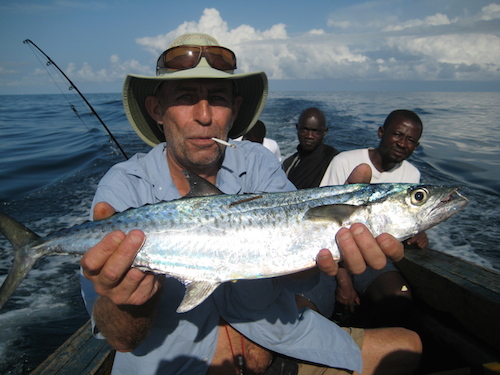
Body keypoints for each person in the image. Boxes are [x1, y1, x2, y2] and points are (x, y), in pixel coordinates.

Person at [79, 33, 421, 375]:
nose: (204, 115)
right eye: (185, 97)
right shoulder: (123, 185)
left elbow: (297, 273)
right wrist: (130, 303)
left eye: (217, 98)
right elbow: (120, 339)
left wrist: (330, 235)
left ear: (236, 108)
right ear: (157, 110)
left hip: (280, 340)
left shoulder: (257, 161)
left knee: (410, 347)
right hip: (180, 365)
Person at [317, 110, 428, 327]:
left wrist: (418, 231)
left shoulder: (412, 176)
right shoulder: (344, 162)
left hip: (372, 256)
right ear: (381, 132)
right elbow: (323, 222)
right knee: (310, 307)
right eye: (397, 134)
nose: (402, 143)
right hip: (331, 254)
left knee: (400, 296)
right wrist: (343, 278)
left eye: (410, 140)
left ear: (416, 146)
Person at [282, 107, 339, 189]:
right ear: (297, 128)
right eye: (304, 129)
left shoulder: (333, 159)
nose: (309, 136)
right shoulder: (289, 164)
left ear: (325, 131)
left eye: (316, 131)